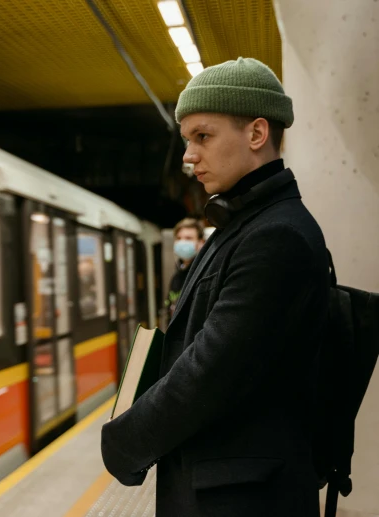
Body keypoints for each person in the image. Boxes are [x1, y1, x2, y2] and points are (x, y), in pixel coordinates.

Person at [101, 57, 330, 517]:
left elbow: (210, 371)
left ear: (257, 134)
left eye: (202, 136)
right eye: (187, 140)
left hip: (244, 498)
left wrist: (125, 440)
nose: (188, 157)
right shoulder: (241, 224)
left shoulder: (276, 235)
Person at [165, 218, 205, 317]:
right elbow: (169, 304)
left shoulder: (205, 273)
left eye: (188, 238)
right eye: (178, 238)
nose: (182, 242)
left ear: (201, 243)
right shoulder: (176, 276)